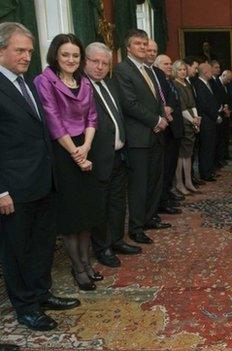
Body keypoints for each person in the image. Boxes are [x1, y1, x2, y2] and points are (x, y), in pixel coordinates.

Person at [0, 21, 80, 334]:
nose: (26, 56)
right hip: (14, 189)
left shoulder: (30, 82)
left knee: (43, 244)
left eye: (30, 51)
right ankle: (26, 307)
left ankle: (42, 293)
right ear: (1, 49)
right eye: (20, 50)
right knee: (18, 250)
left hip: (43, 182)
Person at [34, 33, 103, 291]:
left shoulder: (84, 82)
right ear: (55, 55)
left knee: (86, 213)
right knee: (70, 215)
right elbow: (53, 119)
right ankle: (77, 267)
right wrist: (75, 153)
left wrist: (85, 147)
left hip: (85, 147)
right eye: (65, 54)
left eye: (75, 55)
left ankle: (86, 263)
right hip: (62, 152)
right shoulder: (44, 81)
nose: (71, 59)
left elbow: (92, 117)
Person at [85, 42, 142, 268]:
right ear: (85, 62)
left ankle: (117, 240)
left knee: (118, 202)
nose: (100, 67)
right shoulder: (81, 88)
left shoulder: (109, 85)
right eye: (95, 62)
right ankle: (102, 247)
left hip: (119, 155)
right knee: (101, 205)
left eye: (105, 63)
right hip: (99, 157)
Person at [114, 29, 170, 245]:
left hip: (155, 135)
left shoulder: (148, 69)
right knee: (139, 185)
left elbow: (154, 100)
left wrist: (161, 115)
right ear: (128, 48)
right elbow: (129, 104)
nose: (144, 47)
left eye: (145, 43)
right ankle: (136, 228)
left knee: (154, 180)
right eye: (138, 43)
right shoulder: (123, 70)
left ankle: (149, 218)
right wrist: (156, 120)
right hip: (138, 138)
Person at [146, 40, 183, 217]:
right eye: (166, 64)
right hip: (163, 130)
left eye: (170, 63)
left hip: (173, 129)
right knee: (164, 169)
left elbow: (172, 102)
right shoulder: (155, 77)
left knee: (169, 169)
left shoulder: (167, 80)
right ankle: (162, 201)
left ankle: (167, 195)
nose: (170, 66)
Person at [172, 59, 201, 194]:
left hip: (192, 121)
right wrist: (193, 120)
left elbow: (193, 104)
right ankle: (179, 183)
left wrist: (196, 118)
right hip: (183, 122)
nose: (183, 72)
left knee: (188, 154)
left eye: (184, 69)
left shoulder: (187, 84)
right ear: (175, 71)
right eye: (180, 70)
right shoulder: (175, 85)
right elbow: (182, 108)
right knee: (181, 155)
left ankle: (188, 181)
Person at [194, 62, 221, 182]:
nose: (212, 73)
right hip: (206, 121)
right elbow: (204, 105)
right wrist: (216, 116)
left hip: (210, 120)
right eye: (210, 70)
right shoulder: (199, 84)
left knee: (211, 147)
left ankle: (209, 171)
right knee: (206, 148)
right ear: (205, 72)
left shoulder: (207, 83)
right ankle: (205, 173)